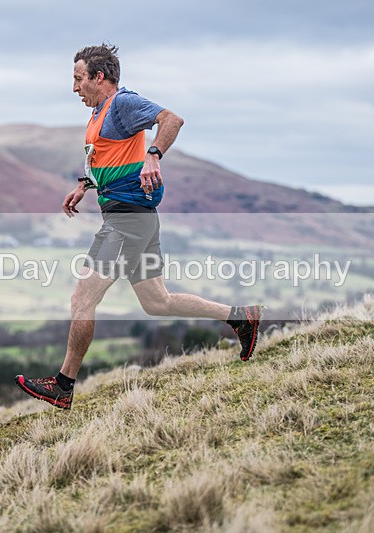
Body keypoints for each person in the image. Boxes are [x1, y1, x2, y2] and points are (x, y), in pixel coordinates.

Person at [15, 44, 262, 410]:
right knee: (157, 302)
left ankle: (62, 385)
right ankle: (241, 318)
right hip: (136, 218)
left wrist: (154, 156)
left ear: (99, 77)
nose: (74, 88)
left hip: (126, 220)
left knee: (82, 299)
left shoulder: (123, 103)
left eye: (78, 78)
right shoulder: (101, 113)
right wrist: (85, 184)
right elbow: (110, 157)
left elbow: (172, 120)